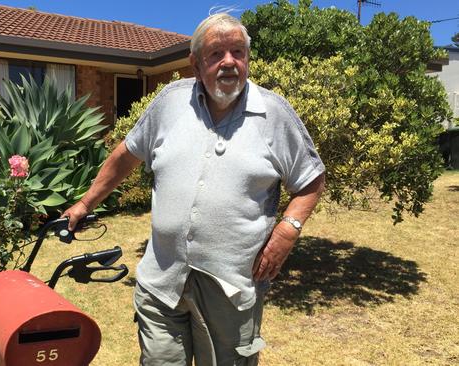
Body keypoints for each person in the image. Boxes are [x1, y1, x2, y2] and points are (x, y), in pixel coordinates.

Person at [63, 12, 325, 366]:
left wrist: (287, 231)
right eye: (217, 53)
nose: (229, 62)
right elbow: (126, 156)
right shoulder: (170, 101)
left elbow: (311, 179)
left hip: (230, 289)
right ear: (196, 63)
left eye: (238, 52)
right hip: (162, 280)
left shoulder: (273, 113)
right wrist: (84, 204)